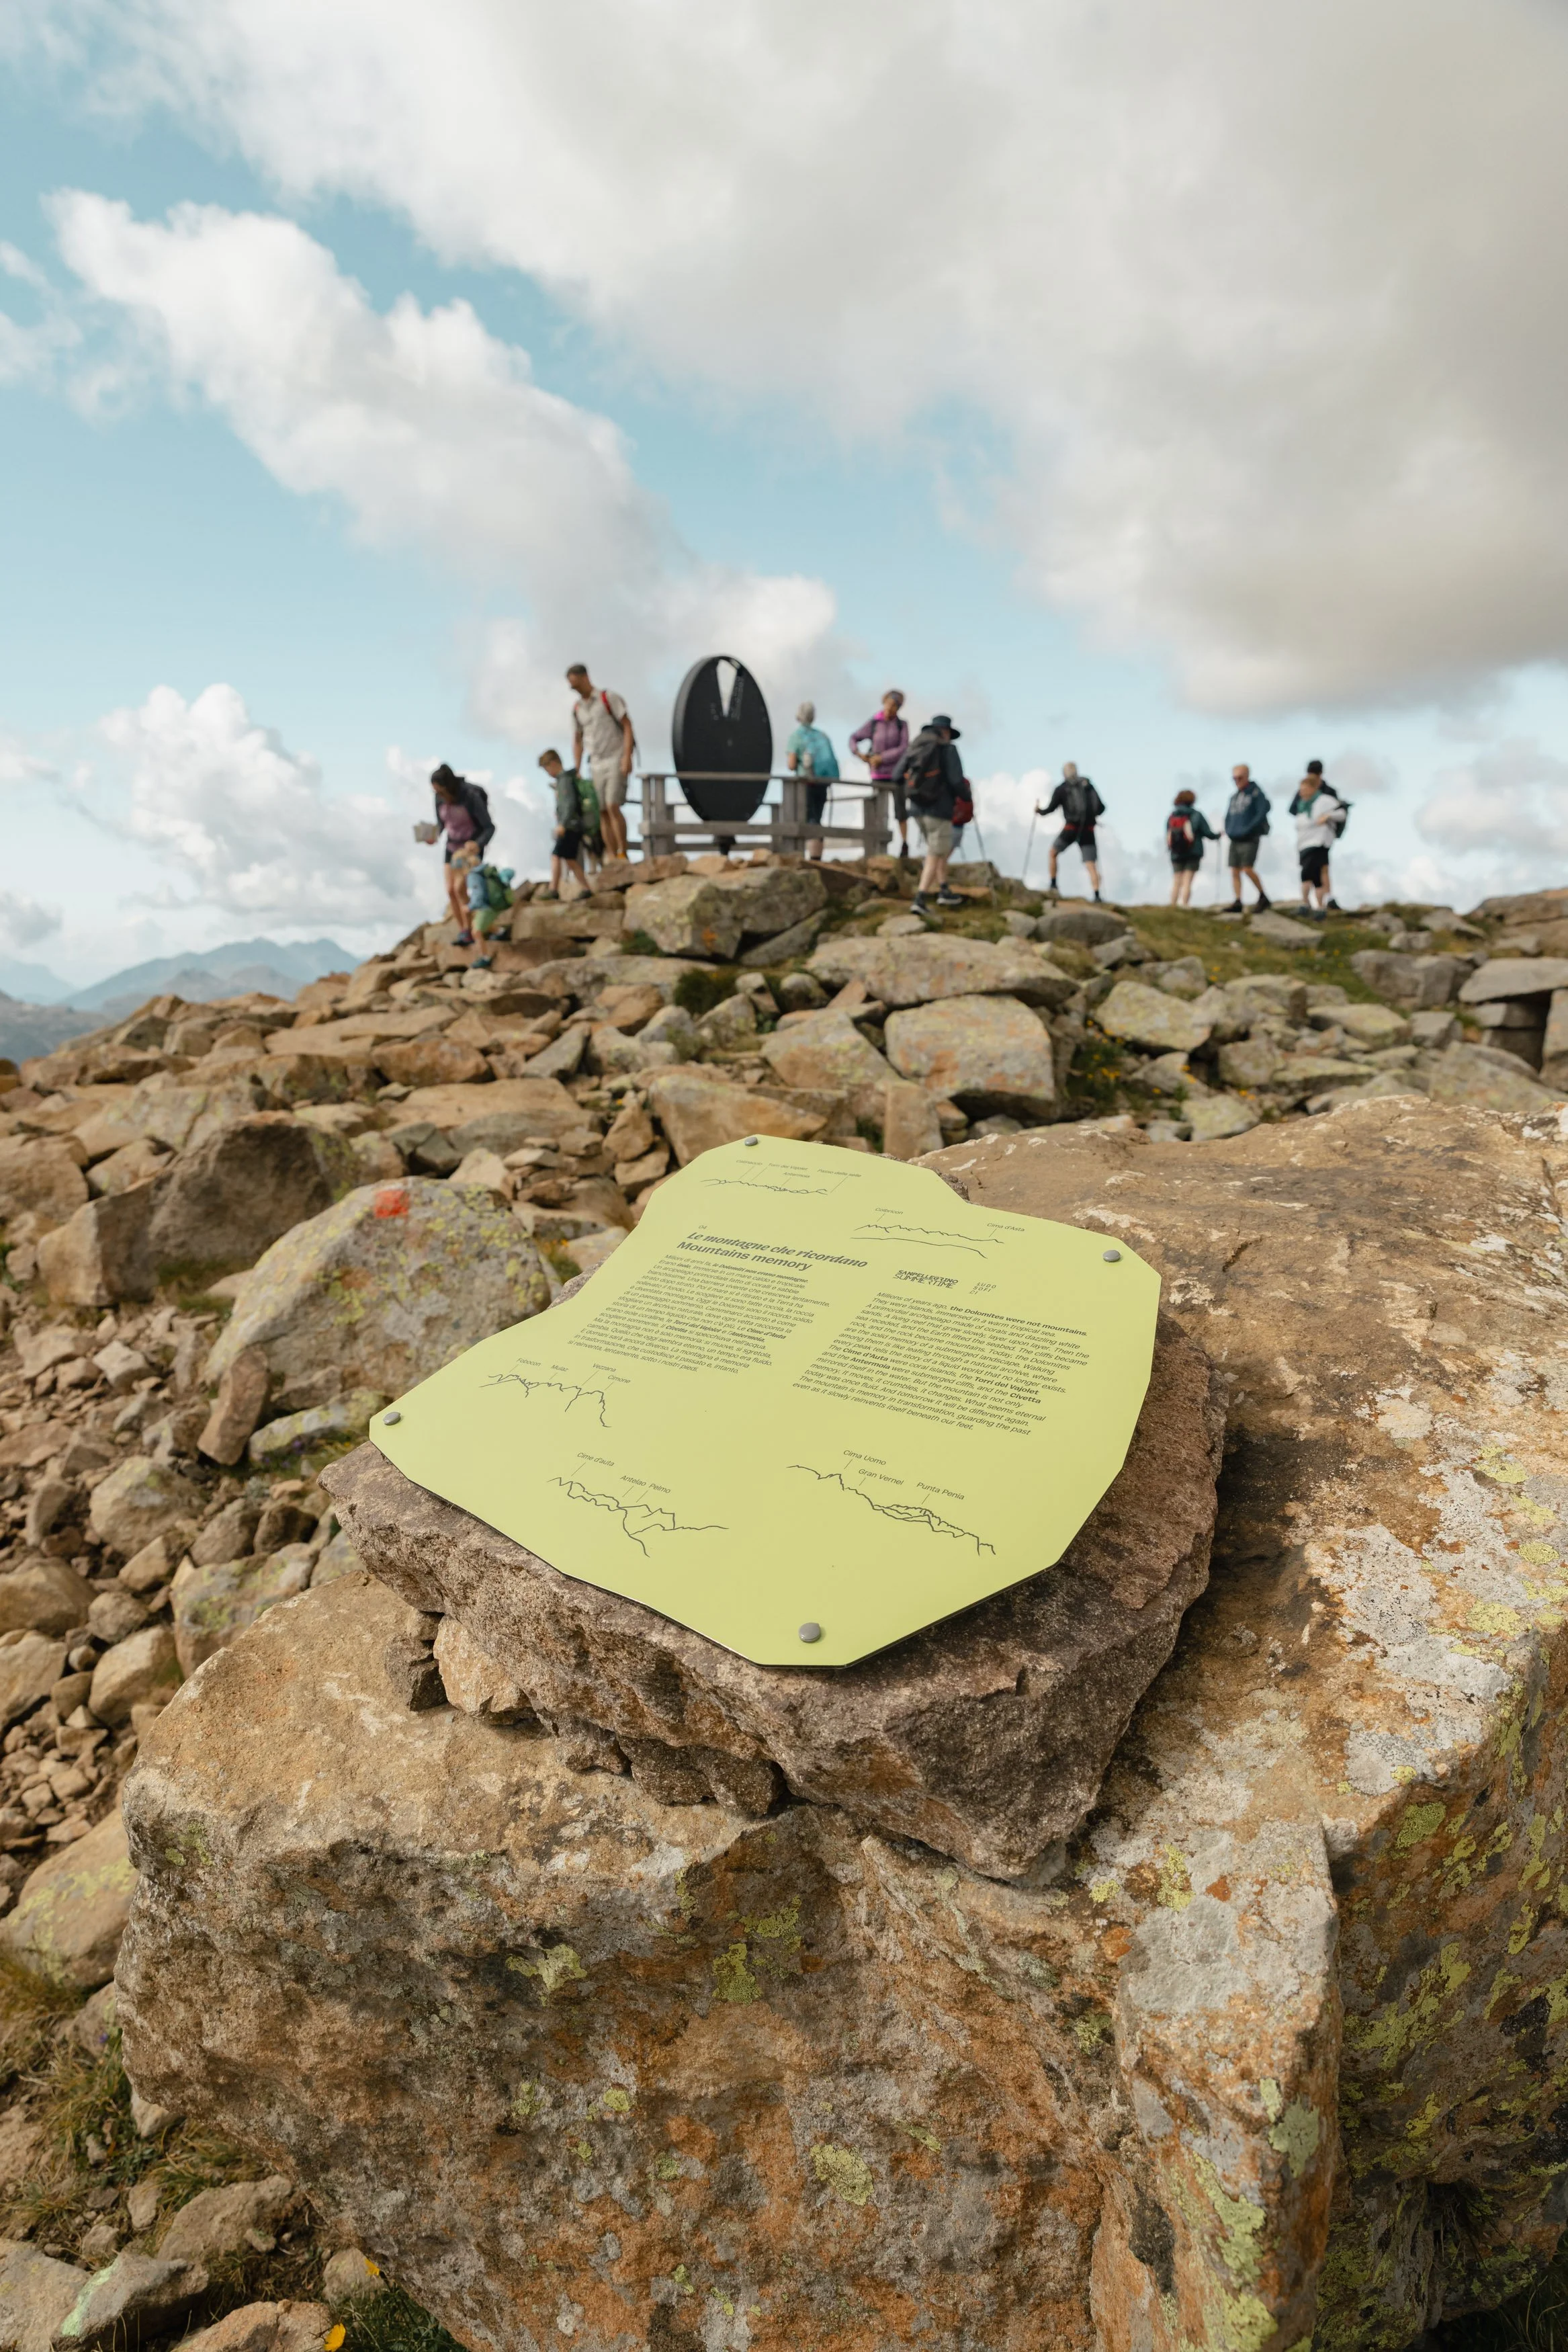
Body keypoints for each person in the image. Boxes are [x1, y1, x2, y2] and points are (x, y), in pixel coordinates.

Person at [892, 715, 966, 915]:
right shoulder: (948, 749)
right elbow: (956, 780)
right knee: (935, 853)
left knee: (938, 849)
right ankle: (921, 898)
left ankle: (944, 890)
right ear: (947, 732)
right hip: (939, 809)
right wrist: (966, 798)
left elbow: (897, 775)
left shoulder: (916, 746)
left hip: (916, 808)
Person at [567, 663, 635, 863]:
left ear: (585, 677)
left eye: (576, 683)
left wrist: (627, 756)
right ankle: (612, 856)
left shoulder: (608, 698)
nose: (574, 689)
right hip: (595, 763)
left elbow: (627, 725)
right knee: (602, 810)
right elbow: (578, 739)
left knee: (613, 805)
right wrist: (577, 768)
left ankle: (623, 852)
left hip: (615, 757)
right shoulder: (578, 708)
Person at [427, 764, 495, 945]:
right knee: (450, 890)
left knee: (460, 889)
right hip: (451, 847)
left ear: (448, 787)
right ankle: (464, 930)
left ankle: (473, 928)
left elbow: (489, 827)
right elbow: (442, 824)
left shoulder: (470, 797)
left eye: (440, 790)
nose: (438, 795)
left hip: (468, 850)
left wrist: (478, 844)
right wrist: (433, 835)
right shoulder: (438, 799)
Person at [849, 689, 911, 858]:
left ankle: (904, 844)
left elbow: (904, 748)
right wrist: (858, 753)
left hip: (896, 774)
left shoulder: (902, 725)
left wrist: (881, 758)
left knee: (901, 811)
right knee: (878, 811)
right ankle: (876, 847)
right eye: (890, 705)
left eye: (896, 707)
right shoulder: (874, 723)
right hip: (877, 776)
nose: (891, 709)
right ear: (884, 703)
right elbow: (854, 737)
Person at [1037, 762, 1105, 900]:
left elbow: (1050, 809)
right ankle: (1097, 895)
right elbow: (1101, 808)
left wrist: (1039, 811)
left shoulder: (1062, 789)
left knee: (1053, 853)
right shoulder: (1088, 786)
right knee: (1091, 864)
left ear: (1064, 773)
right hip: (1088, 830)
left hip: (1070, 829)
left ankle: (1053, 885)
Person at [1290, 761, 1346, 920]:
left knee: (1314, 873)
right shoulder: (1302, 803)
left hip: (1320, 841)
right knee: (1316, 873)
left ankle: (1316, 904)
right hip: (1304, 843)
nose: (1301, 793)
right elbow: (1293, 811)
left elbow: (1341, 812)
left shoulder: (1326, 797)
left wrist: (1327, 816)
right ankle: (1319, 904)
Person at [785, 700, 840, 862]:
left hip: (805, 784)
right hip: (822, 783)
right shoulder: (822, 736)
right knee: (817, 817)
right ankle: (817, 856)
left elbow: (791, 764)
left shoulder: (796, 737)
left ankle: (810, 858)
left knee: (809, 819)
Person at [537, 749, 590, 899]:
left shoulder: (564, 780)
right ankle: (586, 888)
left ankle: (553, 889)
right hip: (573, 825)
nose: (548, 772)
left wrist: (563, 824)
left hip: (569, 826)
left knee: (556, 855)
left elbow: (569, 804)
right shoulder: (565, 779)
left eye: (547, 768)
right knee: (570, 860)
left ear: (553, 764)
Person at [1222, 765, 1272, 913]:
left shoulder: (1257, 794)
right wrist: (1229, 829)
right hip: (1235, 837)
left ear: (1247, 776)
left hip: (1250, 838)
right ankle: (1238, 900)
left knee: (1247, 868)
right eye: (1234, 778)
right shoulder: (1234, 797)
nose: (1237, 781)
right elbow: (1228, 816)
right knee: (1234, 870)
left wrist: (1249, 829)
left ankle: (1263, 896)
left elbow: (1262, 812)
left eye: (1240, 778)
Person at [1166, 790, 1219, 906]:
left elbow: (1168, 834)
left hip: (1176, 853)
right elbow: (1207, 833)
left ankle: (1172, 905)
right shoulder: (1197, 815)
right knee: (1187, 881)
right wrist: (1218, 836)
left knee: (1177, 880)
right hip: (1194, 852)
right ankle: (1185, 905)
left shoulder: (1172, 816)